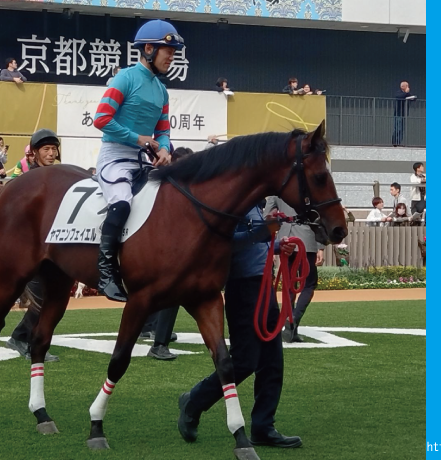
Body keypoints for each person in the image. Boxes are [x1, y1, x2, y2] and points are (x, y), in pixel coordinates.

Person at [178, 204, 302, 449]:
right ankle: (195, 401)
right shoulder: (231, 204)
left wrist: (278, 245)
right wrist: (261, 233)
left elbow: (256, 245)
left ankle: (263, 427)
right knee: (245, 361)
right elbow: (223, 244)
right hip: (243, 287)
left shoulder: (253, 204)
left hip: (263, 286)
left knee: (272, 362)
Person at [92, 19, 179, 302]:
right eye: (168, 50)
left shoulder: (162, 91)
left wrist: (164, 150)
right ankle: (106, 273)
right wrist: (139, 139)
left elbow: (163, 131)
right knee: (121, 203)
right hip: (115, 158)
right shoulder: (124, 78)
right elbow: (101, 119)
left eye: (174, 52)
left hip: (143, 162)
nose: (172, 57)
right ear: (149, 49)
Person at [5, 129, 63, 363]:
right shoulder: (27, 180)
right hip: (32, 248)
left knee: (50, 299)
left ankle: (21, 337)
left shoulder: (60, 176)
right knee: (42, 299)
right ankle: (30, 342)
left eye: (53, 149)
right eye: (46, 149)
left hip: (55, 246)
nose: (51, 153)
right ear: (35, 153)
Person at [146, 146, 194, 360]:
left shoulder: (175, 183)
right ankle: (159, 341)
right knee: (173, 292)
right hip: (164, 247)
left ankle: (155, 331)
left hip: (167, 246)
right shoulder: (167, 183)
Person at [264, 198, 323, 343]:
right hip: (306, 240)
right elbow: (318, 216)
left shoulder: (276, 191)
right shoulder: (309, 186)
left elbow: (267, 216)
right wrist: (320, 246)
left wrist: (268, 244)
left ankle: (291, 329)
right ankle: (294, 319)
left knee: (289, 286)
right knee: (309, 284)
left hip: (285, 239)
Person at [392, 81, 416, 146]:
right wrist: (406, 93)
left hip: (404, 114)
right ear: (403, 87)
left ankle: (399, 142)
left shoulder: (407, 94)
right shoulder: (398, 92)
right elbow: (399, 96)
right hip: (398, 113)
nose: (408, 87)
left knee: (402, 129)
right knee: (397, 128)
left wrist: (410, 96)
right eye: (407, 86)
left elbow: (413, 98)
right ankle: (395, 142)